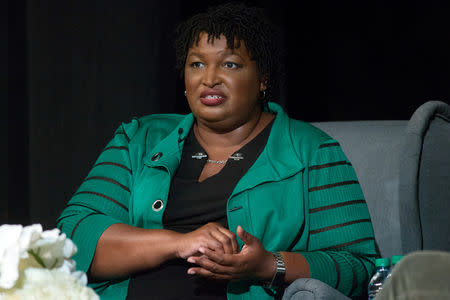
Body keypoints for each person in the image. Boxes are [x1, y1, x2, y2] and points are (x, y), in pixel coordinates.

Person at [57, 3, 378, 299]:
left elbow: (360, 268)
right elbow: (72, 236)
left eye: (230, 64)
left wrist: (268, 265)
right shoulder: (139, 139)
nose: (209, 79)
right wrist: (180, 243)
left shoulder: (312, 152)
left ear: (262, 79)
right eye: (196, 64)